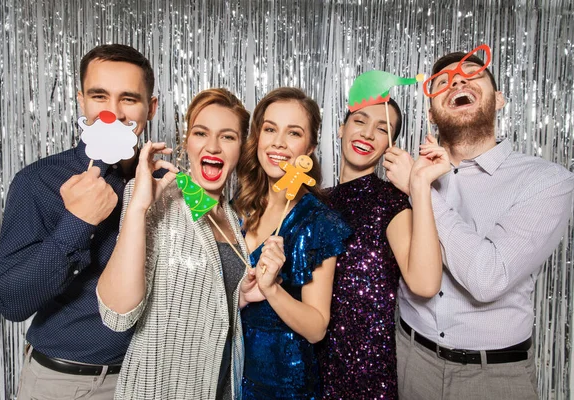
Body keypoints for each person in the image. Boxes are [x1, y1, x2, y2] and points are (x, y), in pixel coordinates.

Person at [385, 45, 574, 399]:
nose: (457, 80)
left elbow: (487, 278)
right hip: (410, 360)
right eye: (443, 81)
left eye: (472, 74)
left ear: (499, 99)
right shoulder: (404, 171)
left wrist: (420, 189)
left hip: (495, 378)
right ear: (430, 114)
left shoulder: (547, 181)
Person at [0, 44, 157, 399]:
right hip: (68, 384)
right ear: (81, 101)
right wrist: (77, 223)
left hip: (149, 379)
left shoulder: (163, 183)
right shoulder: (39, 181)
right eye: (100, 96)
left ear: (151, 108)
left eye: (128, 98)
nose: (112, 112)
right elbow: (11, 302)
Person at [97, 88, 253, 399]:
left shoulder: (234, 217)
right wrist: (140, 207)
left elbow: (210, 304)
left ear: (242, 148)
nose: (213, 146)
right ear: (187, 142)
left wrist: (243, 297)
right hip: (157, 390)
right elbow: (117, 315)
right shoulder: (157, 198)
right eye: (201, 132)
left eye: (228, 137)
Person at [319, 82, 449, 399]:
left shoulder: (389, 203)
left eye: (382, 128)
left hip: (366, 376)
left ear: (389, 144)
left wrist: (418, 185)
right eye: (360, 121)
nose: (367, 134)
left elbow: (425, 283)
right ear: (340, 129)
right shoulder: (316, 201)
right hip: (311, 366)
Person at [235, 87, 352, 399]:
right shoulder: (239, 206)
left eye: (293, 133)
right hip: (228, 373)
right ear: (257, 137)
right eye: (270, 129)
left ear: (310, 146)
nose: (278, 142)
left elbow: (317, 328)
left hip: (283, 385)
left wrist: (271, 289)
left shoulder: (318, 222)